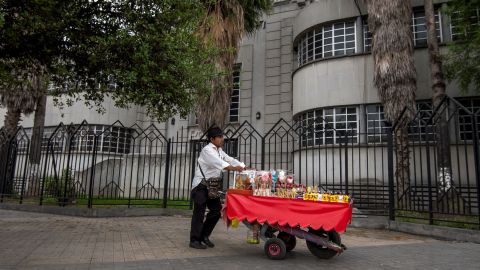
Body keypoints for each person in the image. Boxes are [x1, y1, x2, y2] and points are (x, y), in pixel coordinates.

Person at [189, 126, 245, 249]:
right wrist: (235, 168)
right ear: (212, 139)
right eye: (219, 137)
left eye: (222, 136)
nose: (222, 139)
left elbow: (229, 159)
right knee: (199, 213)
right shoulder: (207, 150)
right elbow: (220, 164)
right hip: (200, 186)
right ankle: (194, 240)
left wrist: (243, 166)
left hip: (211, 187)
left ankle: (203, 236)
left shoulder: (219, 151)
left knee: (216, 211)